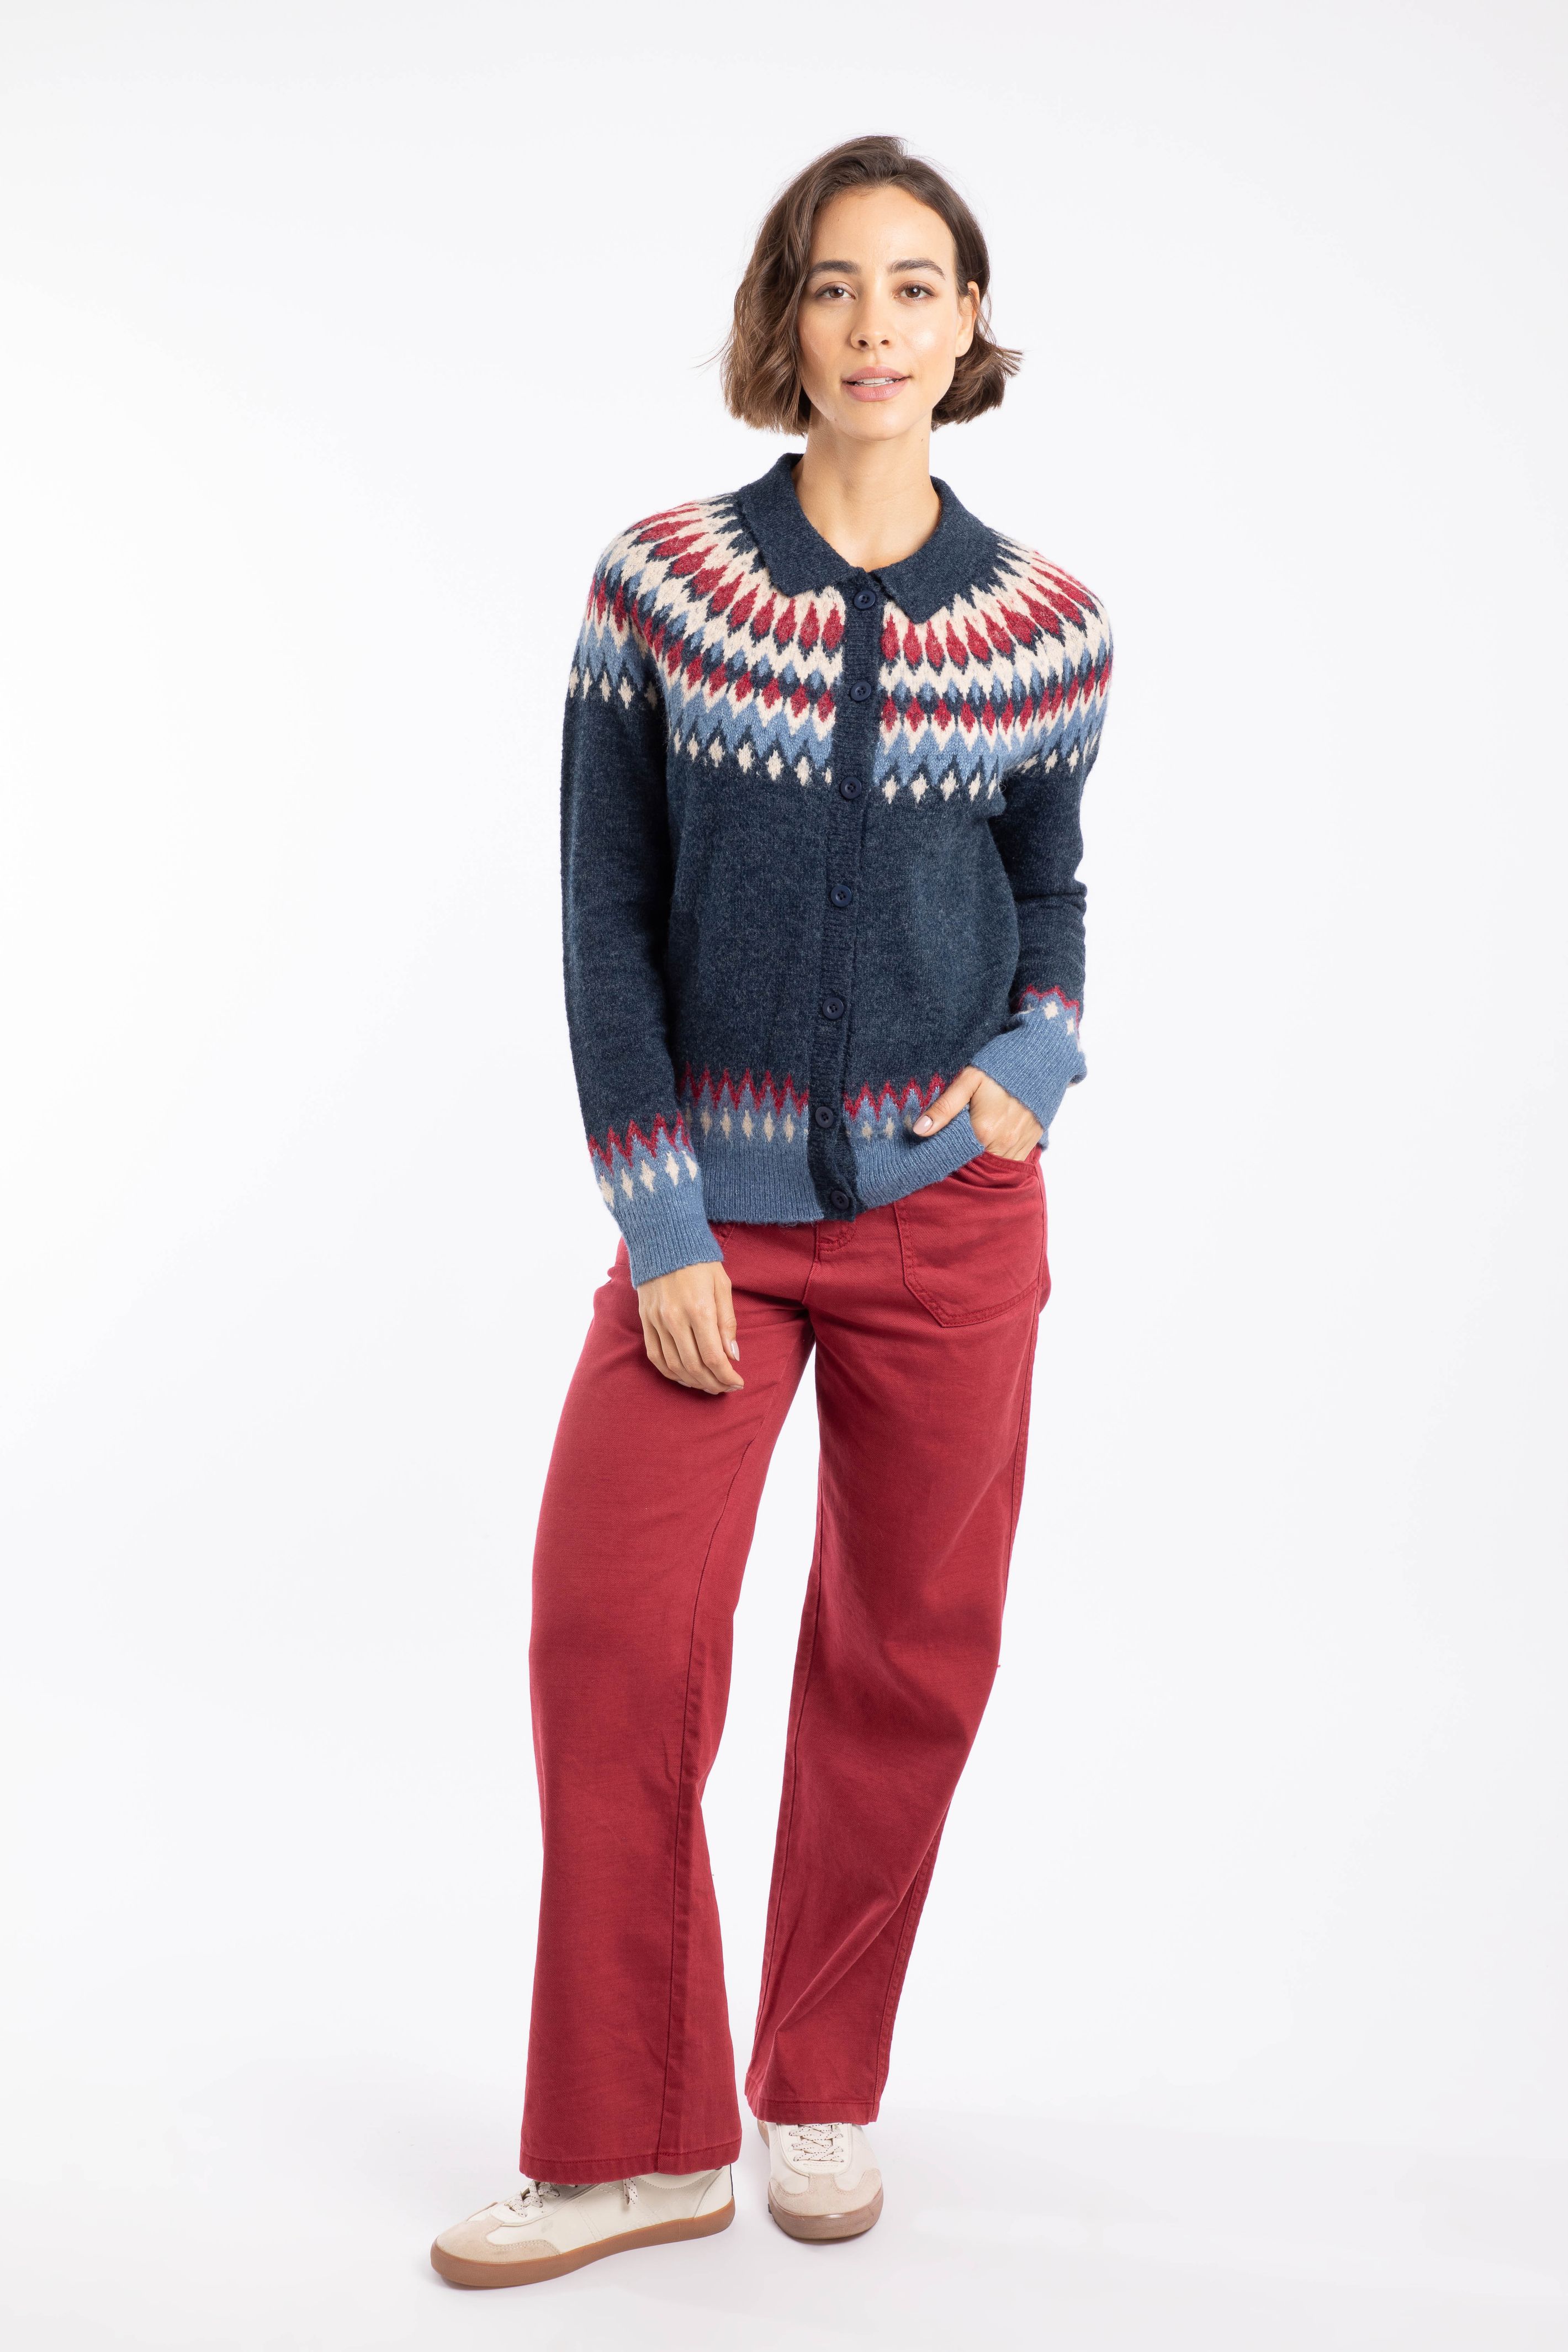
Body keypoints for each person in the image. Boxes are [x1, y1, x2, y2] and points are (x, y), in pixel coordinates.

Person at [431, 131, 1113, 2290]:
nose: (873, 327)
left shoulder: (1048, 627)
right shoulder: (662, 587)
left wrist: (1031, 1066)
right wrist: (660, 1221)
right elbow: (602, 912)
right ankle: (635, 2138)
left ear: (967, 323)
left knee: (905, 1661)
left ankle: (818, 2080)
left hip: (950, 1223)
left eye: (915, 286)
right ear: (781, 319)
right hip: (709, 1229)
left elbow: (1048, 889)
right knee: (610, 1639)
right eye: (833, 285)